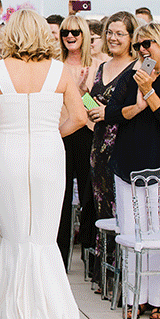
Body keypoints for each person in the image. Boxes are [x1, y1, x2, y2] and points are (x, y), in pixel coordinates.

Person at [0, 9, 87, 319]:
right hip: (48, 154)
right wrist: (51, 132)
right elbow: (80, 117)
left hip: (8, 151)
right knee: (43, 235)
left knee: (14, 237)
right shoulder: (60, 71)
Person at [106, 22, 160, 319]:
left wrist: (150, 93)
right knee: (133, 233)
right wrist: (137, 105)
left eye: (148, 44)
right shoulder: (131, 76)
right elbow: (111, 112)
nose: (143, 50)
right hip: (128, 162)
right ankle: (135, 296)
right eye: (139, 46)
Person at [85, 11, 139, 287]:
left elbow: (132, 110)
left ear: (131, 37)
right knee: (101, 209)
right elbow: (92, 102)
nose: (113, 38)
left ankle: (122, 275)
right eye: (110, 32)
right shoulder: (100, 67)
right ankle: (103, 272)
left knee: (122, 211)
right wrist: (87, 99)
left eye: (120, 33)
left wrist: (108, 114)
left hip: (122, 146)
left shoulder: (137, 69)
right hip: (98, 146)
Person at [57, 14, 95, 270]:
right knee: (61, 196)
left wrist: (83, 93)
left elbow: (98, 108)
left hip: (88, 133)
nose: (70, 36)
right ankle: (59, 258)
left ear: (84, 34)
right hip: (60, 133)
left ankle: (91, 256)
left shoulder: (97, 66)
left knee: (89, 195)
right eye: (65, 32)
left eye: (75, 32)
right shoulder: (53, 65)